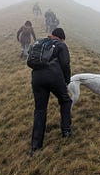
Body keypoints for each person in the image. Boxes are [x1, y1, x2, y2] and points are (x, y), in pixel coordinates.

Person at [29, 27, 72, 156]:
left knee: (40, 110)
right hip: (54, 76)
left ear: (52, 35)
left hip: (37, 78)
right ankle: (66, 131)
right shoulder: (61, 45)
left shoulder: (40, 43)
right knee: (65, 101)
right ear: (62, 38)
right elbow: (65, 64)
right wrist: (67, 80)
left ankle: (35, 146)